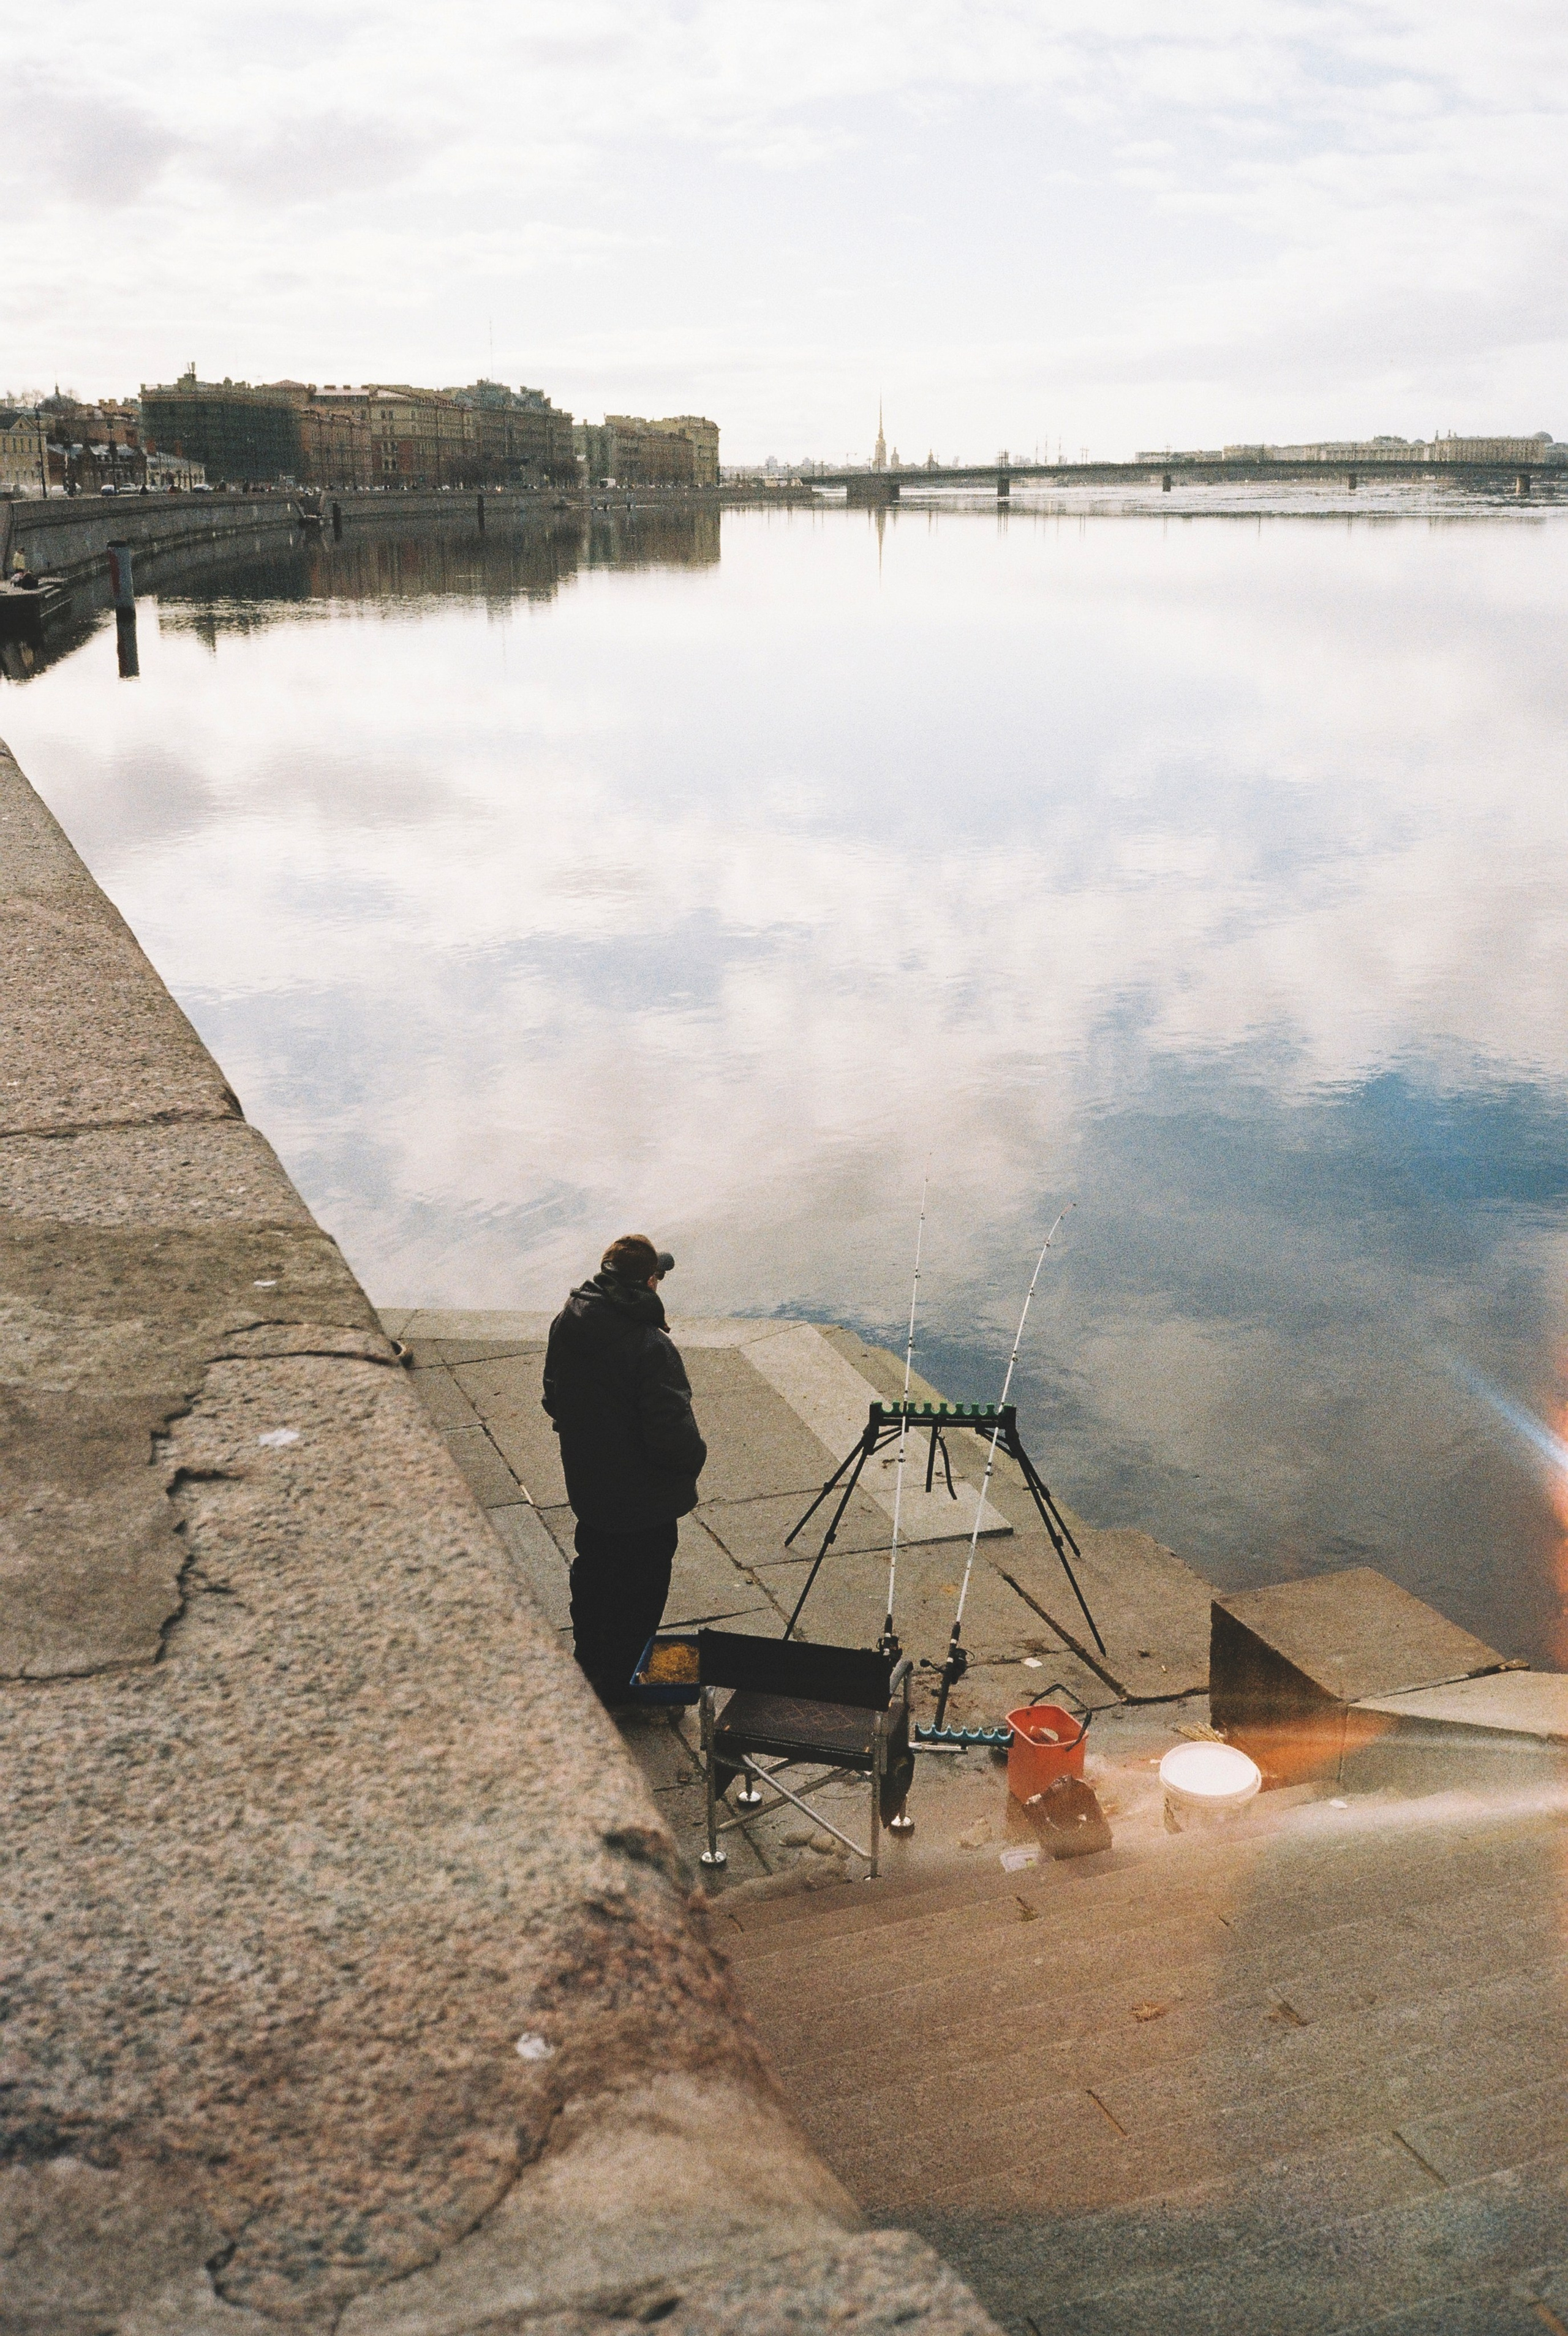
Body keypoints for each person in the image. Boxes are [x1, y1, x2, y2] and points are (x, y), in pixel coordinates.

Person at [542, 1234, 706, 1707]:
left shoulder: (567, 1323)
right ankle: (625, 1689)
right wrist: (693, 1460)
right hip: (644, 1504)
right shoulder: (650, 1347)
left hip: (590, 1490)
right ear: (650, 1282)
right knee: (640, 1593)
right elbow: (673, 1437)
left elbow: (554, 1397)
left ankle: (590, 1665)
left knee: (593, 1577)